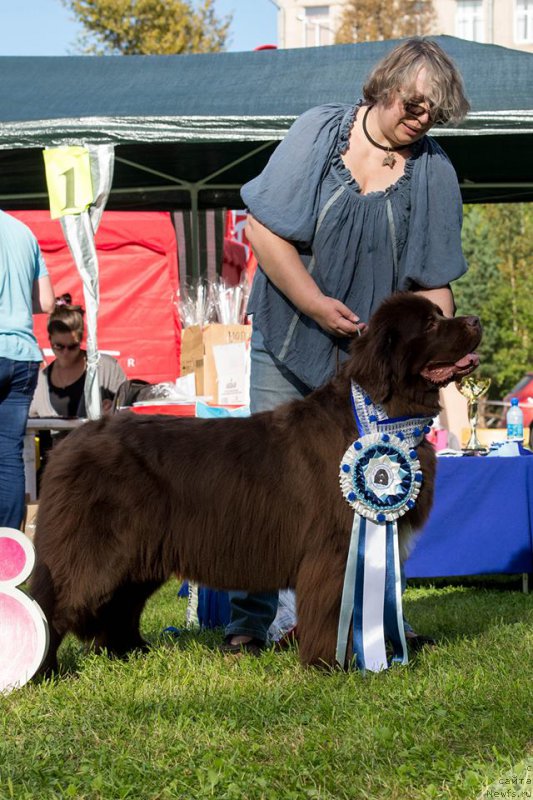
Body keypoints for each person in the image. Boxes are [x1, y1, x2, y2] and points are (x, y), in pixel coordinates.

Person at [222, 37, 471, 655]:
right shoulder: (319, 132)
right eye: (416, 105)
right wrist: (312, 302)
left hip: (373, 370)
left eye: (434, 114)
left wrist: (442, 359)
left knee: (378, 486)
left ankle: (372, 617)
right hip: (290, 337)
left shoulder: (433, 169)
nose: (422, 120)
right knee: (267, 487)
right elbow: (265, 230)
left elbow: (434, 276)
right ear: (385, 88)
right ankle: (254, 623)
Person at [0, 210, 55, 529]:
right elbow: (47, 301)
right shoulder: (23, 232)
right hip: (22, 354)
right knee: (8, 454)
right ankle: (8, 549)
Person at [29, 294, 126, 420]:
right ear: (49, 339)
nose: (65, 352)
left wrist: (114, 411)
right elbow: (29, 424)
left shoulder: (106, 368)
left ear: (81, 341)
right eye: (59, 346)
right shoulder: (40, 381)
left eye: (72, 346)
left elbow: (129, 409)